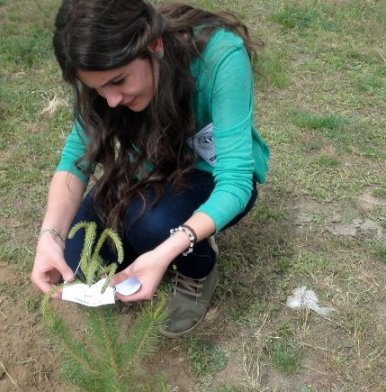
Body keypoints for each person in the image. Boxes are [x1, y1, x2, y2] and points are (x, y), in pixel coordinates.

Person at [31, 0, 270, 338]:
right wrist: (49, 237)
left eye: (119, 81)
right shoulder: (105, 80)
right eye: (98, 88)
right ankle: (151, 233)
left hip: (210, 173)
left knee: (154, 228)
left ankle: (198, 269)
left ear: (154, 45)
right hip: (147, 168)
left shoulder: (220, 55)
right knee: (80, 264)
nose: (111, 100)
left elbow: (235, 181)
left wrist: (171, 247)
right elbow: (75, 158)